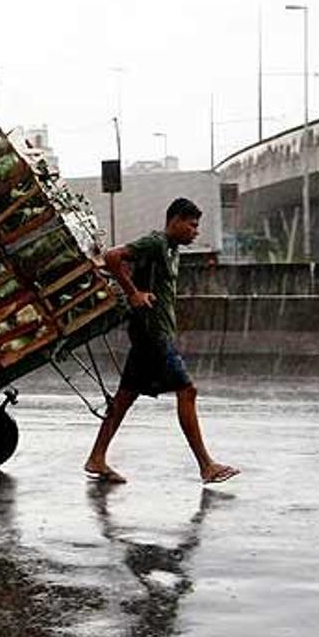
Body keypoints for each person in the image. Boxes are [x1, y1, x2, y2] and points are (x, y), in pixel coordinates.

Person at [83, 197, 239, 485]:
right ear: (175, 220)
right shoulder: (155, 243)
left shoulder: (171, 250)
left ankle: (97, 457)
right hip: (151, 334)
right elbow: (112, 257)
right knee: (187, 390)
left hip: (152, 334)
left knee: (124, 398)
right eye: (191, 225)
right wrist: (133, 293)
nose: (195, 231)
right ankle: (206, 465)